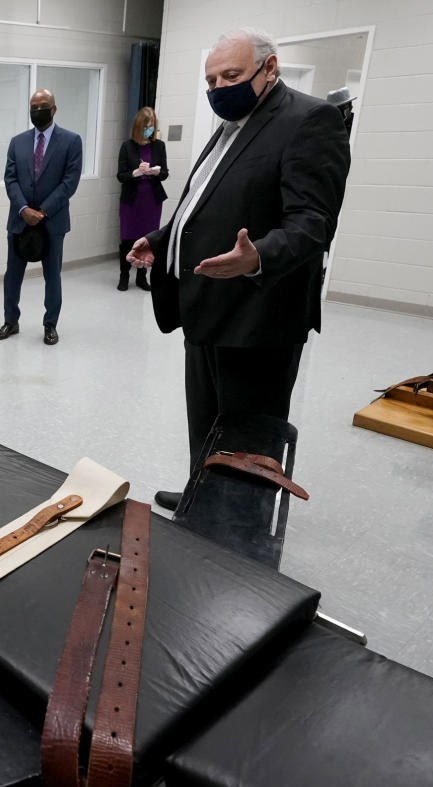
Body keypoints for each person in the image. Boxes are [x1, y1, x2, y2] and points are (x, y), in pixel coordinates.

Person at [126, 28, 350, 510]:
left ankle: (238, 529)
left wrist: (260, 256)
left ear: (270, 69)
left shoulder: (310, 120)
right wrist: (162, 239)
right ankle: (201, 493)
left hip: (258, 317)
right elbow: (201, 204)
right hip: (208, 306)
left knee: (248, 434)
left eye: (231, 75)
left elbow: (314, 223)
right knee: (206, 418)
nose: (218, 88)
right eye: (211, 80)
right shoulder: (235, 125)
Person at [0, 90, 83, 346]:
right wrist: (23, 209)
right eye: (33, 106)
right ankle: (11, 321)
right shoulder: (17, 142)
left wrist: (42, 211)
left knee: (52, 275)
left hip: (51, 221)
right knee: (12, 275)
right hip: (20, 220)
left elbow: (70, 182)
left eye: (43, 106)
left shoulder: (71, 141)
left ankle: (50, 324)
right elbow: (10, 179)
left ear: (54, 109)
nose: (38, 111)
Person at [116, 107, 169, 292]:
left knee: (148, 240)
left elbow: (165, 174)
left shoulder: (159, 146)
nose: (150, 129)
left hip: (152, 201)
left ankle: (141, 277)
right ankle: (124, 276)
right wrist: (136, 172)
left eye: (152, 126)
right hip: (131, 201)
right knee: (128, 240)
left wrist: (155, 172)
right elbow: (120, 175)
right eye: (146, 126)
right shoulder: (127, 146)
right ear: (139, 126)